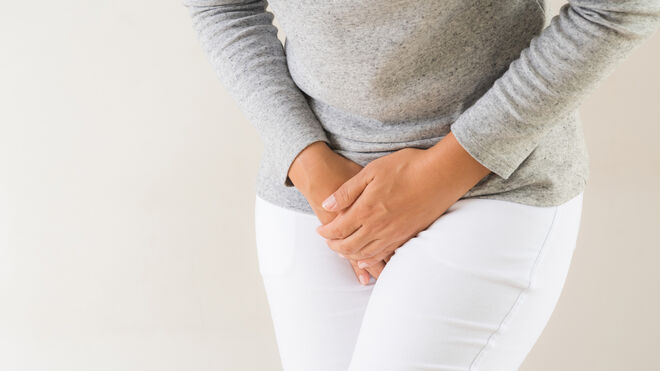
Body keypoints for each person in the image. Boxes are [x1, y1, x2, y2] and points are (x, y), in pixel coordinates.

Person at [183, 1, 660, 369]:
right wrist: (311, 165)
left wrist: (435, 179)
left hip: (488, 182)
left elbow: (619, 7)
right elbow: (223, 7)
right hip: (314, 193)